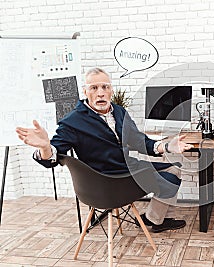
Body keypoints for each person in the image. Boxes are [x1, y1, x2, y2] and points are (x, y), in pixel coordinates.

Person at [16, 67, 194, 233]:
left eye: (104, 87)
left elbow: (139, 141)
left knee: (174, 168)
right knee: (169, 179)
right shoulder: (73, 122)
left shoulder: (118, 111)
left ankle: (154, 220)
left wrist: (167, 146)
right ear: (85, 92)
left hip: (127, 168)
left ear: (111, 90)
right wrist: (45, 147)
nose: (100, 92)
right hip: (106, 180)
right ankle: (154, 220)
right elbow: (53, 157)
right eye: (94, 88)